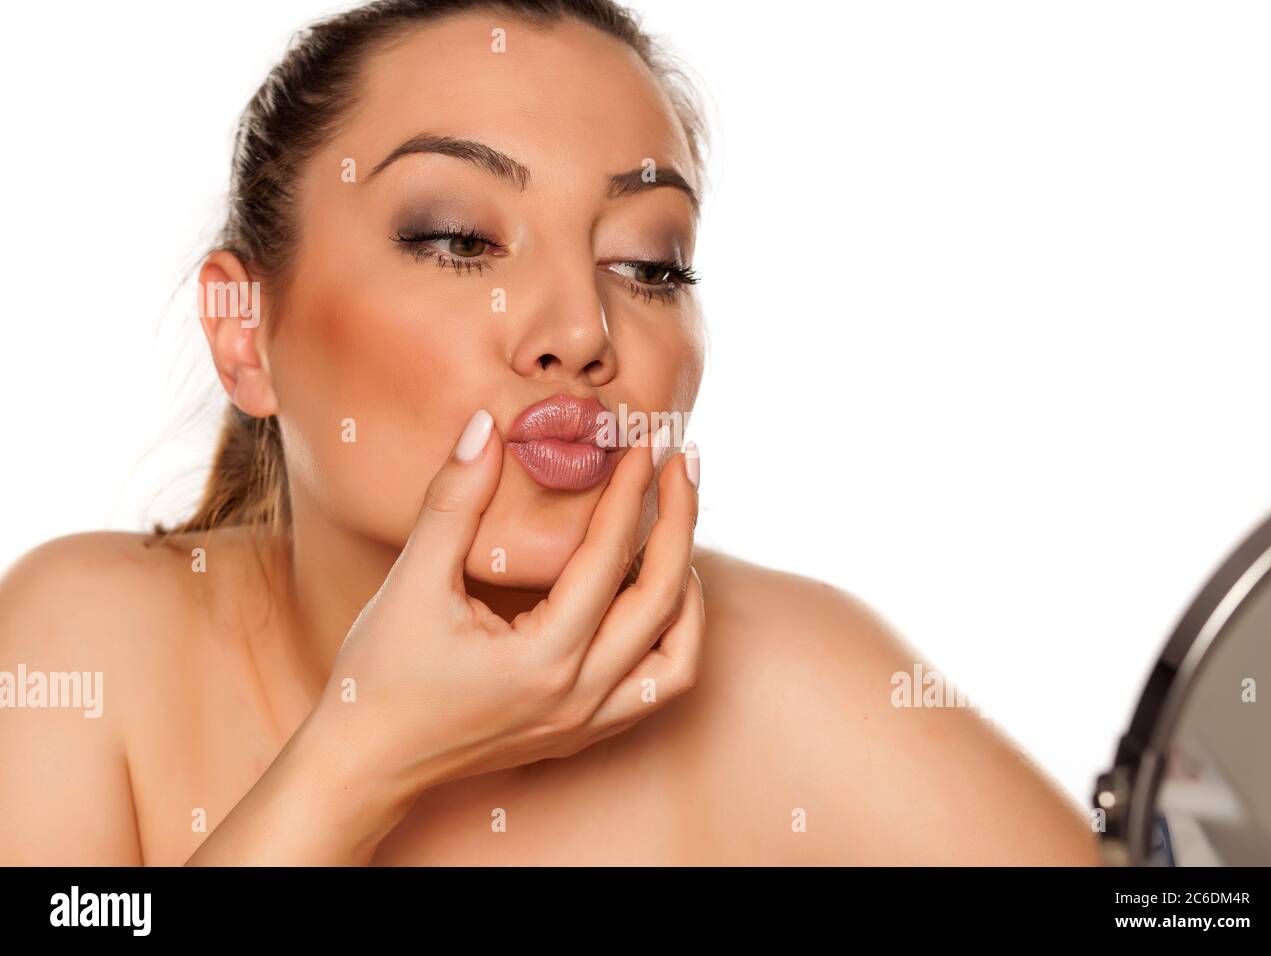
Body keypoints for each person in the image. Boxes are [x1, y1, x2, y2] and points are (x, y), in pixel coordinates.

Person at [0, 0, 1099, 865]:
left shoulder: (793, 676)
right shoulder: (82, 650)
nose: (578, 332)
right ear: (245, 334)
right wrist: (360, 754)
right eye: (457, 239)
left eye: (648, 263)